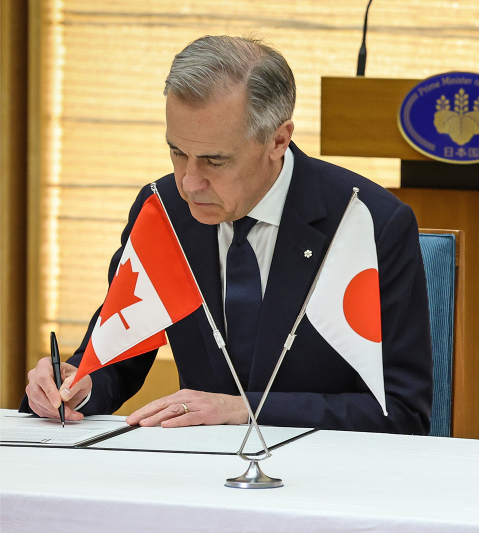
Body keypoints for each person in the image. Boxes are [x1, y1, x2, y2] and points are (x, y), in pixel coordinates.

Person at [22, 35, 433, 434]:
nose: (189, 183)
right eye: (177, 152)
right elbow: (119, 354)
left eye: (214, 161)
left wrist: (246, 410)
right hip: (197, 475)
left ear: (278, 139)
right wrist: (76, 385)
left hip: (328, 476)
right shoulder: (164, 209)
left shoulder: (368, 222)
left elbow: (401, 410)